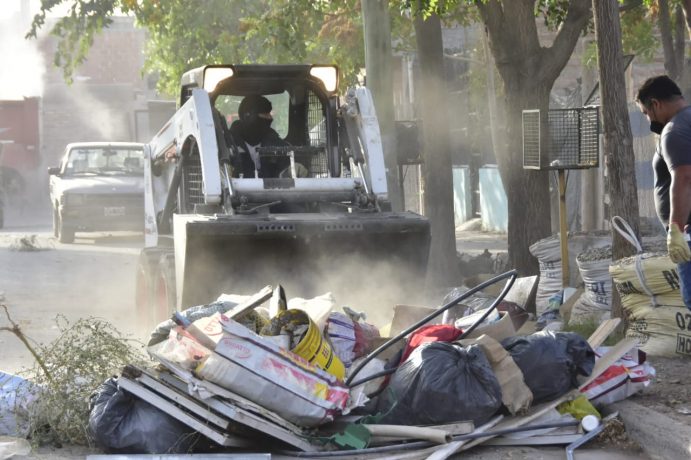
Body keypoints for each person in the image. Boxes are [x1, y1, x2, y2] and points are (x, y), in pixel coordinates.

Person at [636, 75, 691, 310]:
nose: (649, 120)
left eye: (647, 113)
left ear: (656, 104)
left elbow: (684, 177)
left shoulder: (674, 131)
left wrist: (676, 229)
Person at [226, 95, 290, 178]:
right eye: (265, 114)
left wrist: (290, 169)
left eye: (269, 114)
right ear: (248, 116)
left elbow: (286, 165)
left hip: (272, 190)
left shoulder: (274, 141)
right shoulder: (228, 145)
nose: (270, 118)